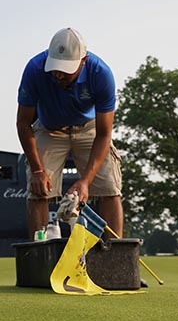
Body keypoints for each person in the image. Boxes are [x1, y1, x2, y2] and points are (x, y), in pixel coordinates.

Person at [16, 27, 123, 240]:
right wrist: (38, 170)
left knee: (109, 188)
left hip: (89, 128)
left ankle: (116, 259)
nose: (58, 74)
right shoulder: (35, 69)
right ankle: (40, 253)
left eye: (66, 69)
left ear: (83, 61)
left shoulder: (101, 73)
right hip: (49, 129)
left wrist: (85, 182)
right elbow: (23, 123)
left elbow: (103, 134)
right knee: (38, 190)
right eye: (55, 67)